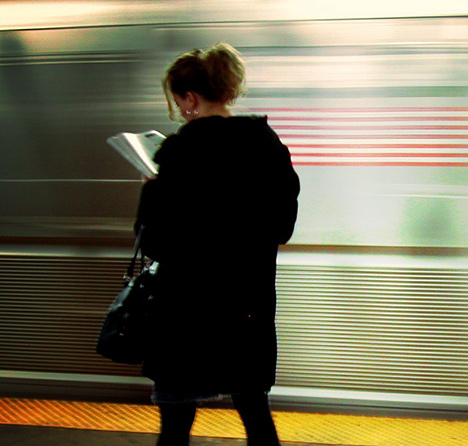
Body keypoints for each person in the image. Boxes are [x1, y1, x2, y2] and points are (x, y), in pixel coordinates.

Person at [135, 42, 300, 446]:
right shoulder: (267, 144)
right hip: (248, 307)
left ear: (190, 97)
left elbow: (156, 242)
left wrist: (151, 194)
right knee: (256, 419)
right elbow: (282, 227)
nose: (180, 111)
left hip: (187, 312)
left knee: (175, 428)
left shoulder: (178, 152)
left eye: (178, 102)